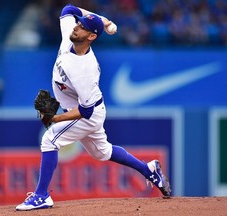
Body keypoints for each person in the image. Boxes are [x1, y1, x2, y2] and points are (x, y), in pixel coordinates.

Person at [16, 4, 171, 211]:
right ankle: (149, 170)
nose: (76, 27)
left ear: (91, 37)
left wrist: (55, 119)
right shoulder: (70, 36)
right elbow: (69, 9)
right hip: (89, 108)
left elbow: (86, 111)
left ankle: (42, 195)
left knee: (50, 140)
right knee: (102, 152)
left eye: (81, 27)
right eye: (78, 24)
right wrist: (104, 20)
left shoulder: (84, 70)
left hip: (88, 115)